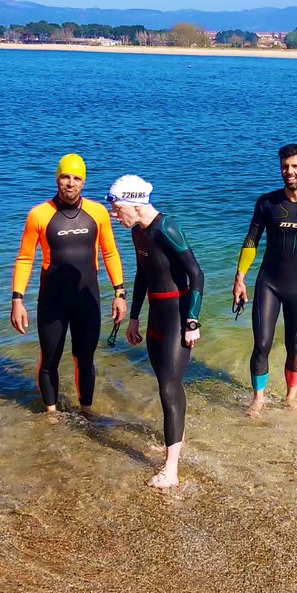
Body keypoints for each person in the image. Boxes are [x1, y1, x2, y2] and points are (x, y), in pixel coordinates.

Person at [10, 153, 127, 419]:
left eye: (76, 178)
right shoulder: (39, 215)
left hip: (87, 299)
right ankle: (50, 416)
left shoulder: (97, 213)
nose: (70, 183)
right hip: (53, 300)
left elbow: (110, 253)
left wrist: (120, 293)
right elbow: (25, 258)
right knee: (50, 358)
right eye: (65, 177)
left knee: (85, 359)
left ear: (83, 182)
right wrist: (17, 300)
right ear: (57, 178)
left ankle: (86, 412)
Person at [106, 175, 204, 489]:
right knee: (164, 382)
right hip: (156, 318)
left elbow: (196, 275)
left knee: (170, 386)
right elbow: (143, 275)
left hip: (177, 317)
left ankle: (171, 470)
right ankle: (173, 444)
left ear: (134, 202)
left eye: (116, 207)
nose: (114, 213)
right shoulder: (139, 233)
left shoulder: (167, 229)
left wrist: (192, 321)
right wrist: (133, 318)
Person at [232, 144, 297, 416]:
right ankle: (258, 398)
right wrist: (240, 278)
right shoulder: (267, 202)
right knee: (262, 343)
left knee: (295, 345)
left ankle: (290, 397)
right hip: (268, 282)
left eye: (294, 166)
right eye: (284, 166)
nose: (289, 171)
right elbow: (251, 241)